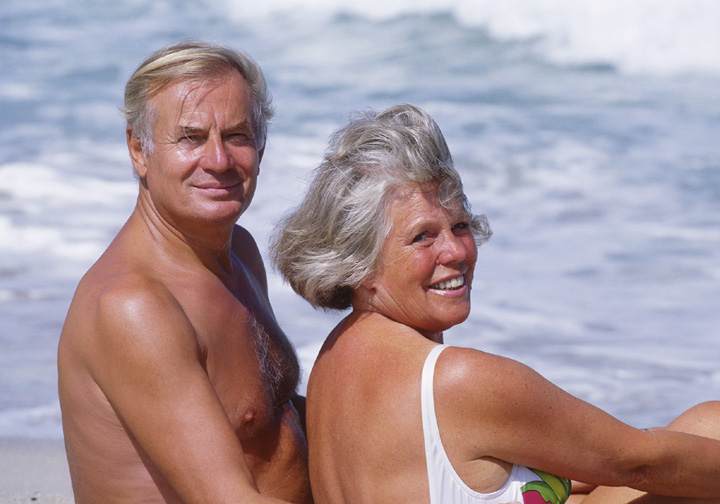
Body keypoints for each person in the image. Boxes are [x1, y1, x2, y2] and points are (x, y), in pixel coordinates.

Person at [270, 103, 720, 504]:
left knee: (707, 423)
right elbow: (639, 464)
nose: (456, 251)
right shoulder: (457, 380)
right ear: (359, 261)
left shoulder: (333, 361)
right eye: (422, 236)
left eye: (460, 225)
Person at [58, 40, 311, 504]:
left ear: (262, 145)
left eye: (237, 136)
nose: (218, 160)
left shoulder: (239, 252)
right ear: (139, 149)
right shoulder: (135, 308)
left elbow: (273, 415)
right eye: (191, 137)